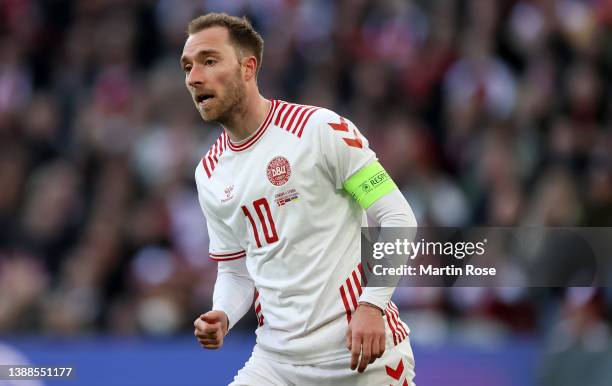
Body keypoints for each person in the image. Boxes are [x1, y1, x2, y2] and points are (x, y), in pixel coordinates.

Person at [183, 13, 417, 385]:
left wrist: (372, 304)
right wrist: (223, 312)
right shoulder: (209, 173)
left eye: (209, 61)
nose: (194, 77)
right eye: (188, 66)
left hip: (360, 360)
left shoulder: (319, 131)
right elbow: (235, 267)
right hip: (276, 366)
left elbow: (398, 218)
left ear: (248, 67)